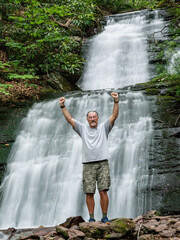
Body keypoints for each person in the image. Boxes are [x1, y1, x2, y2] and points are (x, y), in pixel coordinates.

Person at [59, 92, 119, 223]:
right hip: (88, 164)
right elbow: (70, 119)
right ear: (87, 119)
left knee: (103, 191)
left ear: (98, 118)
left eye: (94, 117)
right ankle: (91, 218)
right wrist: (63, 106)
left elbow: (114, 116)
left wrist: (116, 101)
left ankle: (104, 217)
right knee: (89, 192)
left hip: (102, 163)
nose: (92, 119)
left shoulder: (104, 127)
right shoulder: (82, 128)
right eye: (90, 117)